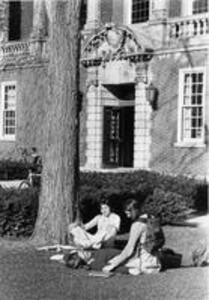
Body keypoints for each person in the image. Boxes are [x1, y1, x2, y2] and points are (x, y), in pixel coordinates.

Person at [102, 198, 161, 275]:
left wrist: (113, 264)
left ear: (134, 211)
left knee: (112, 264)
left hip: (144, 265)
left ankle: (131, 269)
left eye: (128, 213)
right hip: (156, 262)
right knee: (119, 260)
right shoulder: (151, 218)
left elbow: (129, 250)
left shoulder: (137, 225)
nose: (127, 216)